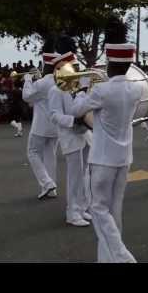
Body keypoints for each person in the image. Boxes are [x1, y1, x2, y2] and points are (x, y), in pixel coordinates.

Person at [71, 17, 142, 263]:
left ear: (111, 63)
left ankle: (121, 254)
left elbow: (76, 110)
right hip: (124, 159)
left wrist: (81, 87)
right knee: (114, 211)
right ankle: (108, 258)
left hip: (102, 159)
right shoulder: (136, 89)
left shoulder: (102, 90)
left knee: (98, 209)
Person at [49, 35, 92, 227]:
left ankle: (82, 208)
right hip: (69, 135)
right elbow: (54, 115)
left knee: (84, 174)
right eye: (73, 68)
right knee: (75, 175)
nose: (77, 71)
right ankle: (72, 212)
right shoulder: (55, 90)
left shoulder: (76, 87)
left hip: (83, 133)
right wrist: (72, 121)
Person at [23, 36, 60, 199]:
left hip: (40, 126)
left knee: (33, 153)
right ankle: (51, 188)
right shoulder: (59, 81)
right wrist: (37, 78)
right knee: (50, 156)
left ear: (45, 65)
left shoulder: (42, 83)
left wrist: (28, 80)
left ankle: (47, 183)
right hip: (55, 126)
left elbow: (27, 97)